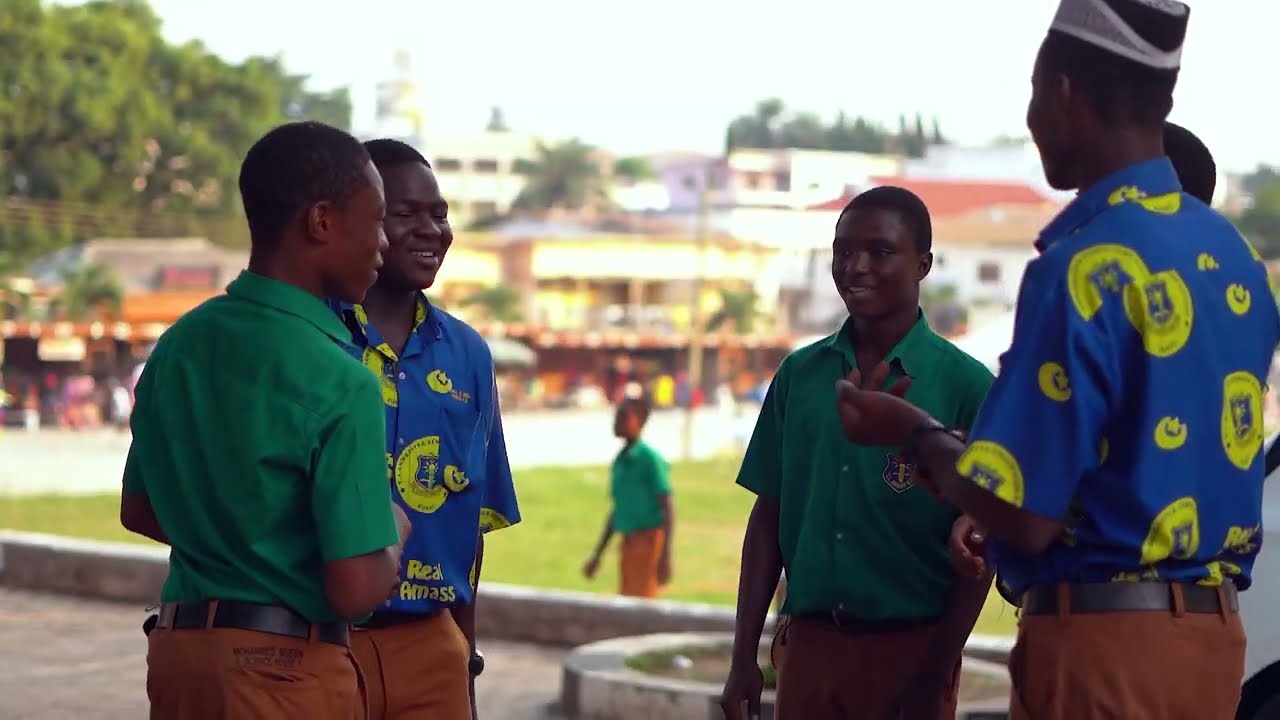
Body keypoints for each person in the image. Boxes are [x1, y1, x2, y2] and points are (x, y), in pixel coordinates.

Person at [834, 2, 1280, 718]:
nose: (1034, 115)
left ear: (1064, 93)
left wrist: (913, 432)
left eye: (1035, 93)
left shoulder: (1084, 266)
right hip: (1213, 645)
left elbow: (1023, 511)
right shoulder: (1234, 261)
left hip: (1105, 649)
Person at [119, 121, 410, 719]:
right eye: (376, 220)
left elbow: (141, 510)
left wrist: (242, 545)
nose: (385, 244)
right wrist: (395, 531)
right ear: (322, 222)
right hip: (282, 671)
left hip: (179, 658)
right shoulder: (342, 379)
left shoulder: (180, 344)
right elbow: (355, 589)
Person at [719, 186, 995, 720]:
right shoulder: (800, 376)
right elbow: (767, 518)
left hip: (912, 653)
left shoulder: (968, 387)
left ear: (923, 264)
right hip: (809, 651)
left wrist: (936, 674)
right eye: (842, 252)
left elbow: (981, 549)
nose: (855, 267)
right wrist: (743, 655)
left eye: (879, 252)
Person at [951, 118, 1224, 599]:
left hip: (1100, 618)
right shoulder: (1235, 307)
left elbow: (1037, 504)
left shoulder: (1086, 296)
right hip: (1208, 622)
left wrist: (924, 442)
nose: (1084, 208)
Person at [329, 138, 521, 720]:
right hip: (323, 642)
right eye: (405, 214)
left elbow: (473, 526)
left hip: (432, 647)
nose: (431, 230)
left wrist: (462, 656)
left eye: (439, 214)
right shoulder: (312, 340)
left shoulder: (468, 354)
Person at [583, 397, 675, 598]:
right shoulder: (620, 461)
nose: (617, 421)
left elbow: (667, 506)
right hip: (628, 544)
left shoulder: (650, 459)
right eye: (617, 415)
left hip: (649, 544)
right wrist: (597, 555)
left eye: (624, 417)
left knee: (643, 605)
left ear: (640, 422)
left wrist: (665, 554)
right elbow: (618, 512)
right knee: (628, 599)